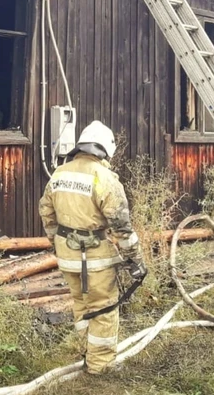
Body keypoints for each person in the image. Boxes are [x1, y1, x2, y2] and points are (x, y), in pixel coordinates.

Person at [38, 120, 147, 374]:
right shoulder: (104, 178)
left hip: (67, 255)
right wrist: (136, 260)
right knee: (103, 308)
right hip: (95, 257)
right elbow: (121, 226)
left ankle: (86, 354)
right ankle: (101, 366)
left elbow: (46, 212)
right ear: (105, 149)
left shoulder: (60, 173)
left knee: (81, 304)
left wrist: (56, 243)